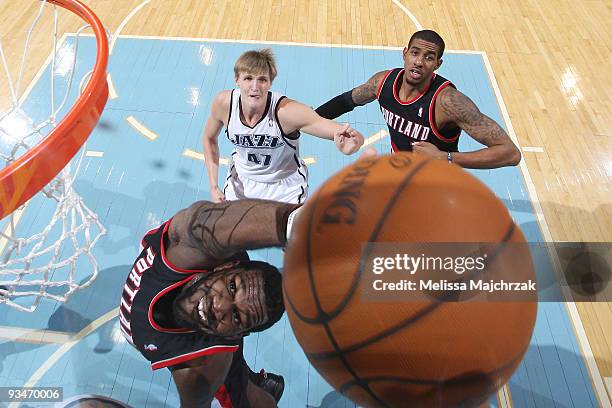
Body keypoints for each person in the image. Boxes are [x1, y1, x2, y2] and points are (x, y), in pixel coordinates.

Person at [119, 199, 302, 407]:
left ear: (236, 335)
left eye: (236, 315)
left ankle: (246, 380)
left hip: (212, 341)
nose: (219, 307)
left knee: (242, 398)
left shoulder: (203, 368)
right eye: (231, 287)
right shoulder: (187, 249)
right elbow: (201, 221)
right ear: (224, 267)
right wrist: (293, 222)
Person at [315, 29, 521, 169]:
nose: (419, 62)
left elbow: (510, 153)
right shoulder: (382, 83)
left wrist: (446, 157)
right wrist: (307, 120)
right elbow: (345, 101)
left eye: (429, 57)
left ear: (438, 64)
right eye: (415, 53)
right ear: (405, 54)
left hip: (437, 182)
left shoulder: (449, 102)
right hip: (401, 172)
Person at [202, 48, 364, 204]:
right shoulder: (224, 104)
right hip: (241, 183)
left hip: (284, 187)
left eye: (262, 80)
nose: (255, 87)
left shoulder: (286, 112)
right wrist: (213, 185)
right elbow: (209, 139)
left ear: (270, 83)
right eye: (248, 78)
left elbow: (333, 129)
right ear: (237, 80)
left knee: (285, 232)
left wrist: (354, 142)